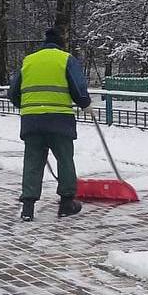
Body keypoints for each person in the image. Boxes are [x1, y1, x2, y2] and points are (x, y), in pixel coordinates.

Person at [8, 27, 92, 221]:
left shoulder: (29, 61)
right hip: (59, 119)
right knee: (65, 160)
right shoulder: (66, 59)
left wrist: (28, 106)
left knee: (32, 162)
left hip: (31, 120)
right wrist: (85, 103)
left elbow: (12, 93)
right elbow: (78, 87)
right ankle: (66, 204)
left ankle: (28, 208)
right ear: (61, 45)